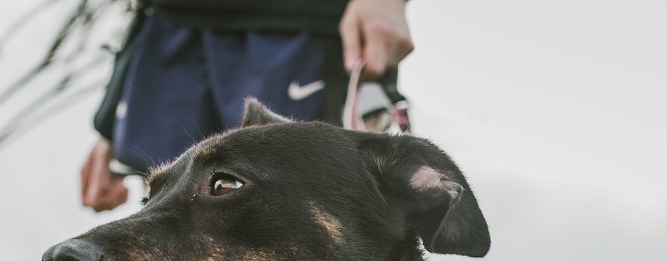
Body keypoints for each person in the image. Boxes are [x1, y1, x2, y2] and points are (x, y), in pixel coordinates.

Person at [81, 0, 417, 212]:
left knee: (297, 225)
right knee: (166, 224)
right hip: (168, 28)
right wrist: (110, 120)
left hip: (298, 26)